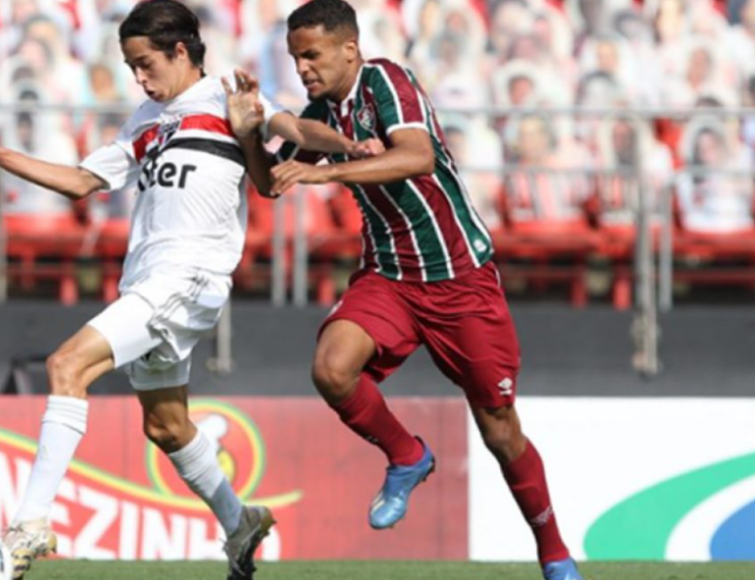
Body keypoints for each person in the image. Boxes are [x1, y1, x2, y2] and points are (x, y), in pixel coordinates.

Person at [0, 1, 357, 579]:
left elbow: (292, 128)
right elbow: (83, 182)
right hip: (148, 278)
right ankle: (239, 521)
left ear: (180, 51)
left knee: (66, 366)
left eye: (144, 63)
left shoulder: (226, 96)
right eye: (130, 65)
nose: (138, 77)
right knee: (165, 425)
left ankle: (29, 526)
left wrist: (349, 145)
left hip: (186, 276)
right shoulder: (147, 119)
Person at [229, 2, 585, 579]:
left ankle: (553, 552)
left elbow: (416, 157)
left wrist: (328, 171)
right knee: (332, 368)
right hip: (389, 277)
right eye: (296, 58)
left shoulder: (386, 81)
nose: (303, 68)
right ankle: (407, 454)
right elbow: (271, 182)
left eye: (312, 54)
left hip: (460, 279)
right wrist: (249, 134)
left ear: (349, 48)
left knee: (499, 428)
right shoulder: (321, 114)